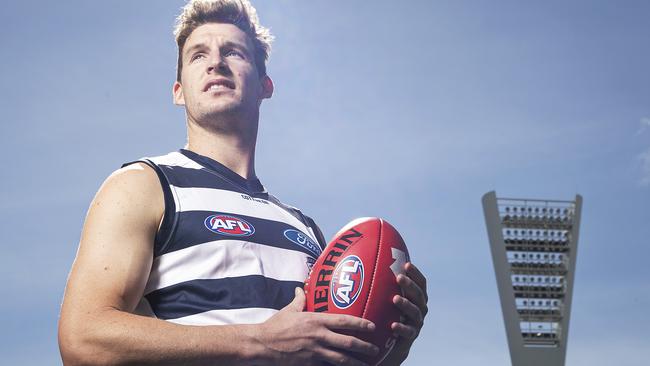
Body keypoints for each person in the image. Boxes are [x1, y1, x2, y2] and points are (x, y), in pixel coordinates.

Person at [58, 1, 428, 365]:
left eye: (233, 52)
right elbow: (84, 339)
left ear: (265, 85)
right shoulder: (146, 185)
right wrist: (258, 341)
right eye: (198, 55)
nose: (216, 62)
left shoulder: (305, 228)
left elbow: (322, 352)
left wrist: (392, 344)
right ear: (179, 91)